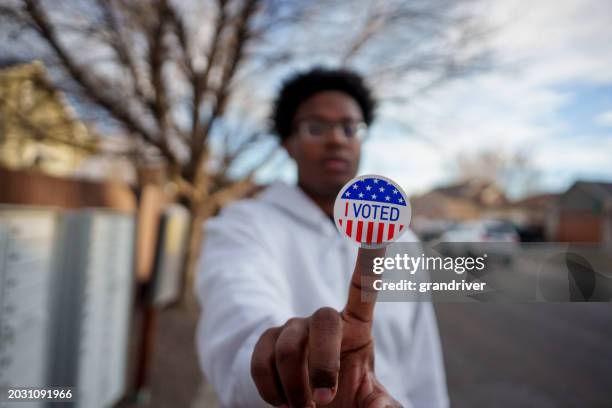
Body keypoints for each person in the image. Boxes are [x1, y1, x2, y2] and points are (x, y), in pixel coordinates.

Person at [195, 68, 448, 407]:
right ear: (288, 144)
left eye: (350, 128)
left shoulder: (400, 240)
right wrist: (285, 357)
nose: (337, 139)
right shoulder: (244, 225)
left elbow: (423, 364)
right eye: (316, 127)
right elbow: (238, 317)